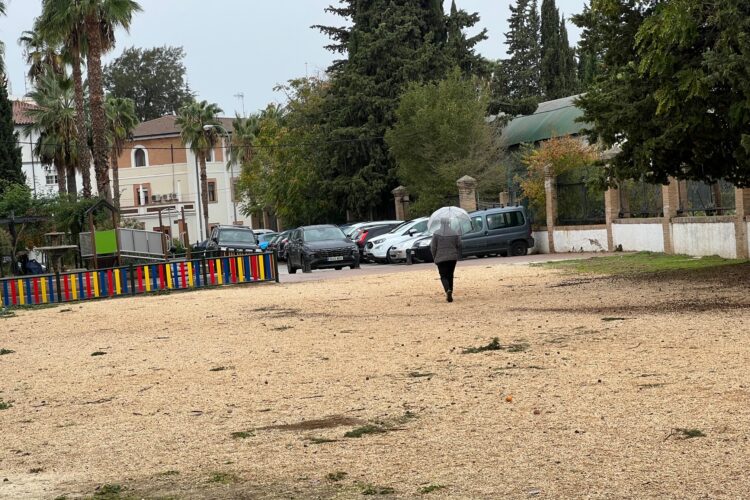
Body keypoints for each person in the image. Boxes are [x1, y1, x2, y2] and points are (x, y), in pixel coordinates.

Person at [430, 217, 462, 302]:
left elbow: (433, 247)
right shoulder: (454, 232)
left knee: (443, 276)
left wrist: (434, 258)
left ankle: (448, 290)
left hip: (441, 258)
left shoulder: (436, 233)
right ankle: (450, 290)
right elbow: (459, 244)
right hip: (452, 258)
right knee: (450, 275)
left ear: (441, 223)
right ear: (449, 222)